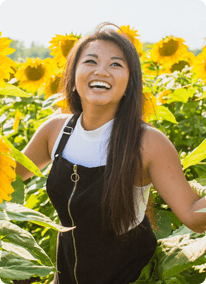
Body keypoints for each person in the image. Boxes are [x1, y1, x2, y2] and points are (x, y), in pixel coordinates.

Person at [16, 23, 206, 284]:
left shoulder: (147, 142)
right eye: (91, 61)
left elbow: (192, 214)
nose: (102, 71)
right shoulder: (55, 130)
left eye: (116, 64)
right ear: (72, 78)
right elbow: (9, 176)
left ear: (129, 85)